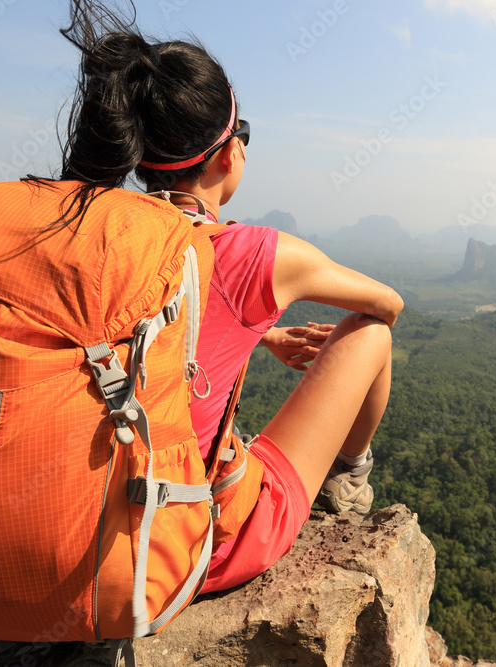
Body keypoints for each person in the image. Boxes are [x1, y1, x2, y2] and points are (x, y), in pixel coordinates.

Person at [51, 0, 403, 593]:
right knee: (372, 332)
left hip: (69, 528)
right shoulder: (255, 252)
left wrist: (258, 332)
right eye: (243, 134)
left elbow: (125, 331)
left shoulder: (92, 229)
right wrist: (260, 313)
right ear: (227, 153)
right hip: (187, 545)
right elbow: (388, 303)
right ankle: (349, 477)